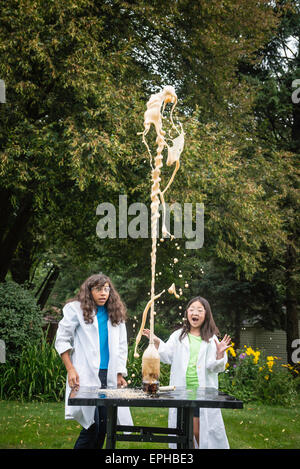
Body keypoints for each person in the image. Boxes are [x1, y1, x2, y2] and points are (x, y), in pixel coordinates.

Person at [55, 273, 133, 449]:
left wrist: (120, 373)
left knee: (105, 426)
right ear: (89, 291)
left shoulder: (115, 312)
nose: (103, 293)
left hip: (108, 375)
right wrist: (70, 369)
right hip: (86, 374)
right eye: (98, 289)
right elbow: (61, 340)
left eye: (106, 289)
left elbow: (121, 346)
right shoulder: (75, 309)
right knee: (92, 426)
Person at [143, 295, 231, 449]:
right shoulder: (178, 336)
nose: (195, 313)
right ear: (187, 313)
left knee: (198, 430)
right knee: (184, 431)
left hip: (201, 393)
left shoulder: (211, 339)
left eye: (199, 310)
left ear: (206, 314)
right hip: (181, 391)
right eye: (192, 309)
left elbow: (215, 367)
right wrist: (156, 341)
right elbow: (167, 355)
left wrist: (219, 354)